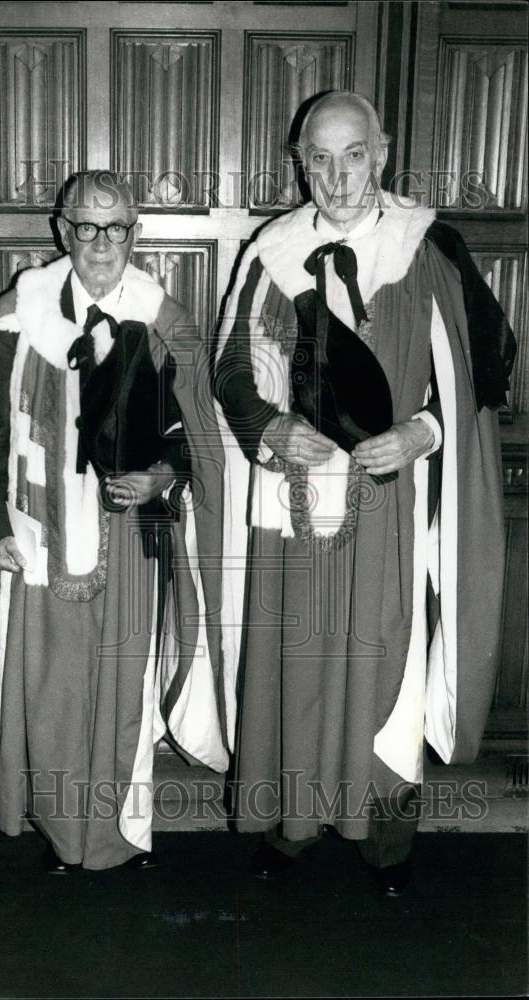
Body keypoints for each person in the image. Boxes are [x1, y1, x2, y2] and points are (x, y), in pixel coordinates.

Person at [214, 92, 515, 895]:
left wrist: (425, 430)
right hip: (297, 509)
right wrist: (270, 433)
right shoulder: (268, 254)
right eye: (320, 158)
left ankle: (388, 841)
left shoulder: (431, 248)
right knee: (295, 661)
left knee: (387, 663)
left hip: (393, 504)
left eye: (354, 155)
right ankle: (292, 823)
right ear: (298, 161)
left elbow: (489, 364)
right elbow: (232, 371)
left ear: (380, 154)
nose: (337, 175)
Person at [0, 170, 234, 872]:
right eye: (86, 226)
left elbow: (195, 439)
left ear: (135, 234)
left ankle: (123, 831)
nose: (101, 243)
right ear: (62, 230)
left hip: (130, 532)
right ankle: (61, 832)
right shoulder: (17, 314)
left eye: (116, 228)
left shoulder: (164, 321)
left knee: (123, 686)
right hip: (39, 532)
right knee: (52, 690)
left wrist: (160, 476)